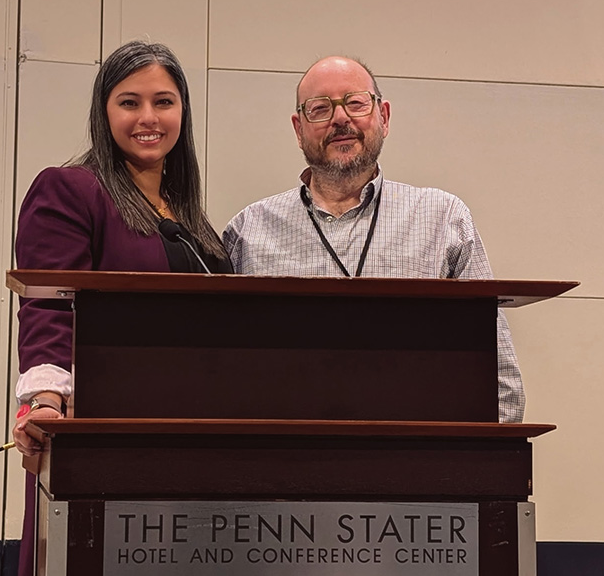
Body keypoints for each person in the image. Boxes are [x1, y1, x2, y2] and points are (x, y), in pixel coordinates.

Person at [12, 40, 232, 576]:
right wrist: (46, 399)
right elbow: (47, 303)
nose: (149, 119)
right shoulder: (72, 190)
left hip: (195, 443)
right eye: (128, 102)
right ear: (102, 112)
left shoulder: (190, 219)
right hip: (110, 444)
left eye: (164, 102)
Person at [223, 56, 524, 423]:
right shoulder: (248, 230)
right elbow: (220, 371)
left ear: (384, 115)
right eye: (320, 108)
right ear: (298, 128)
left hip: (416, 464)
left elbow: (496, 371)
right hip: (283, 462)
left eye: (355, 103)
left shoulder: (442, 218)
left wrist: (481, 467)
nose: (340, 119)